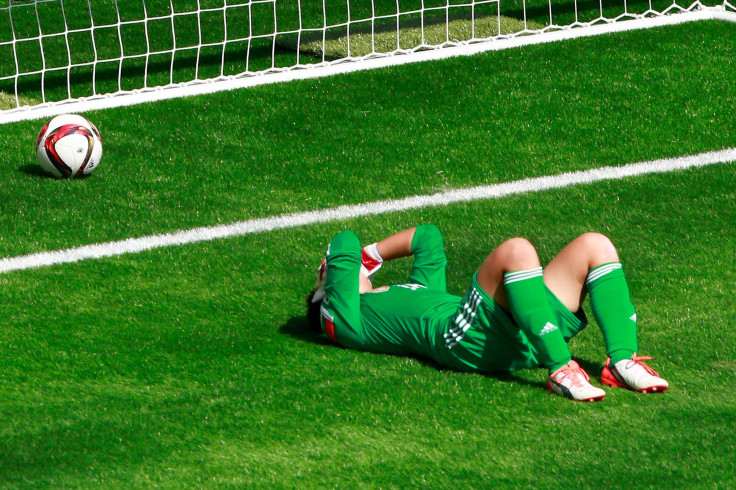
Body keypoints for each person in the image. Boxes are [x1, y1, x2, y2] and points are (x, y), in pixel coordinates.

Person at [306, 224, 668, 402]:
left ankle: (621, 361)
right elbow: (344, 242)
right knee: (517, 251)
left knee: (595, 245)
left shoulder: (411, 290)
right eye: (334, 272)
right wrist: (332, 276)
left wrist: (374, 257)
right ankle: (560, 368)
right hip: (463, 340)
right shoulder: (345, 319)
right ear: (329, 292)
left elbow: (427, 238)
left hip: (521, 331)